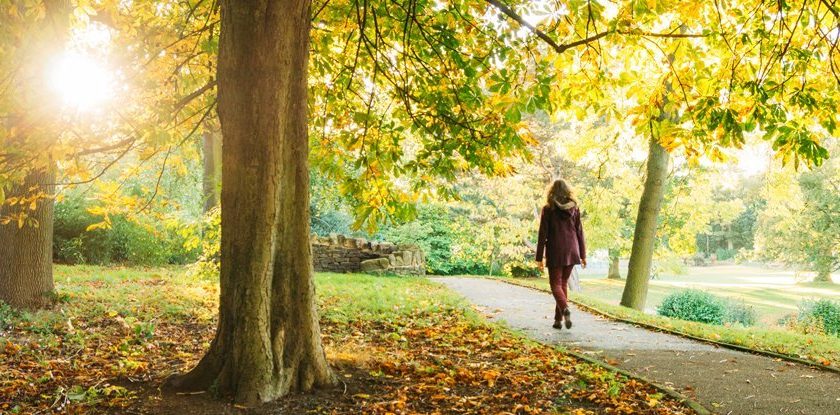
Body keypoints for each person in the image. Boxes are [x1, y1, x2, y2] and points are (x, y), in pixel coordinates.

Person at [535, 178, 586, 330]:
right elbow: (580, 232)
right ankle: (558, 321)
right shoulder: (574, 208)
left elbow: (542, 234)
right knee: (562, 283)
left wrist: (539, 257)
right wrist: (583, 255)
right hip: (572, 250)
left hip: (556, 250)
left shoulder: (548, 208)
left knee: (555, 284)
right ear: (567, 191)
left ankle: (565, 309)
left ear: (551, 192)